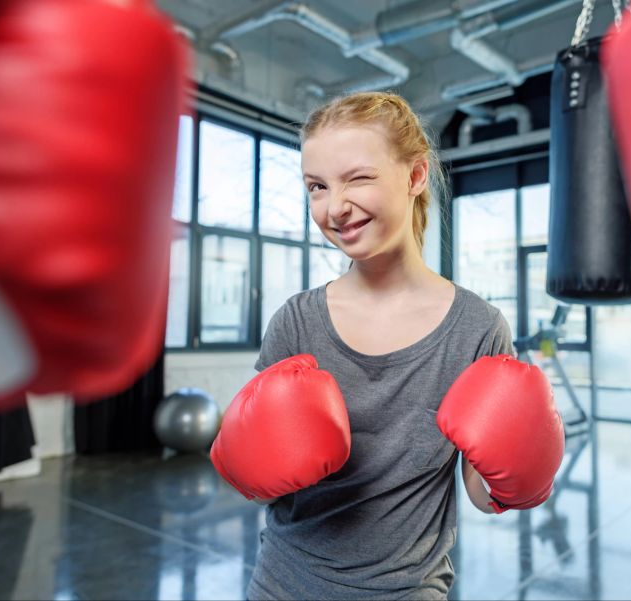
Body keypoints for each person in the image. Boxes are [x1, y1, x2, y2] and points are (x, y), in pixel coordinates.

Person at [210, 91, 564, 600]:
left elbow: (481, 496)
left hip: (408, 590)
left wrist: (521, 467)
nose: (336, 206)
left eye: (358, 178)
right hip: (283, 585)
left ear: (416, 177)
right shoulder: (297, 320)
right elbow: (260, 466)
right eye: (317, 186)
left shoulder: (478, 328)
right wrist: (251, 455)